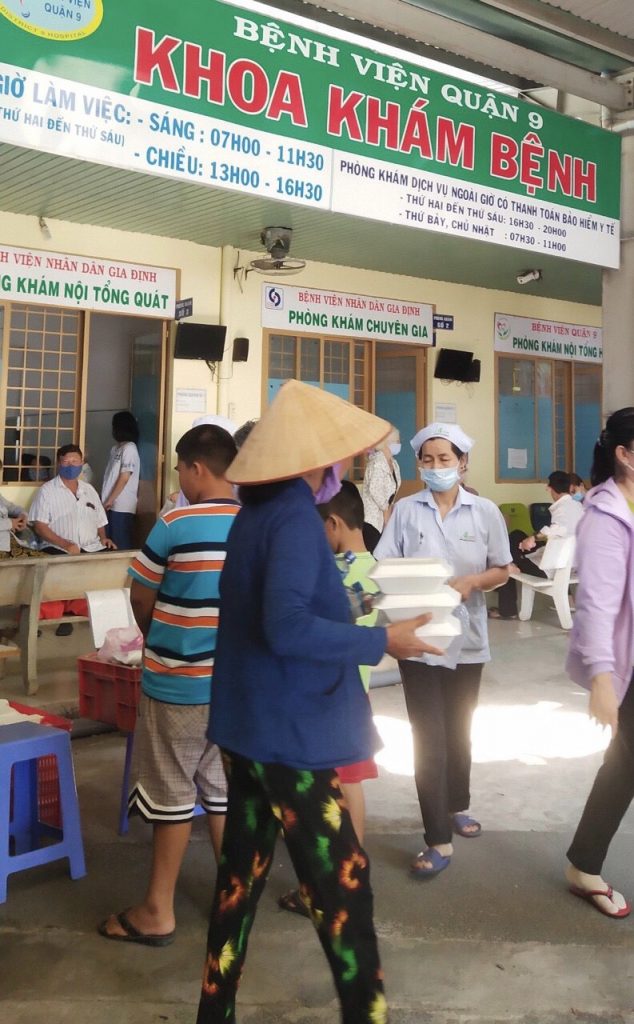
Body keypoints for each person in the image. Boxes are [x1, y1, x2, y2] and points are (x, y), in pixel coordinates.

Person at [196, 380, 442, 1024]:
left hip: (248, 728)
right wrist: (382, 639)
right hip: (290, 738)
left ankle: (214, 1012)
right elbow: (287, 627)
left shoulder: (255, 514)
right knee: (345, 890)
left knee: (238, 885)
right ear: (313, 461)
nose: (343, 463)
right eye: (336, 454)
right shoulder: (294, 520)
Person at [99, 424, 240, 946]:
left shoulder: (175, 521)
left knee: (171, 793)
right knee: (222, 792)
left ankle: (157, 911)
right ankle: (234, 897)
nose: (179, 478)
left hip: (177, 683)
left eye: (180, 469)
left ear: (197, 468)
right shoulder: (252, 524)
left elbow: (140, 596)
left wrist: (157, 635)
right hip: (232, 686)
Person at [374, 422, 512, 879]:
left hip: (467, 638)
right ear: (419, 464)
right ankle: (437, 838)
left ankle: (458, 805)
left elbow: (503, 569)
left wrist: (474, 581)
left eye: (445, 459)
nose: (436, 467)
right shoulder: (405, 510)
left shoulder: (484, 511)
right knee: (428, 737)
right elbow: (383, 563)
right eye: (428, 460)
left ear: (463, 462)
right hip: (418, 638)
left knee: (459, 731)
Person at [278, 480, 381, 918]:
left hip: (327, 698)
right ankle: (348, 876)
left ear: (334, 524)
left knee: (327, 795)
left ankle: (329, 885)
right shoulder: (376, 569)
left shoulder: (334, 576)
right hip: (355, 694)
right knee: (349, 784)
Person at [565, 408, 634, 919]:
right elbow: (596, 604)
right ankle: (584, 866)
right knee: (625, 765)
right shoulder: (606, 517)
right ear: (625, 455)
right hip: (627, 663)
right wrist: (602, 679)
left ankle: (583, 863)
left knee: (624, 765)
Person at [493, 471, 583, 620]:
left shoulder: (563, 509)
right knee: (516, 535)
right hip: (571, 562)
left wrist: (533, 538)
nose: (547, 489)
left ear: (551, 488)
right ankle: (513, 562)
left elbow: (557, 529)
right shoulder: (577, 505)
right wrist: (530, 539)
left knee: (505, 559)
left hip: (551, 568)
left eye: (548, 486)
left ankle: (507, 610)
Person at [29, 444, 115, 556]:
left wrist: (103, 539)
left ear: (81, 463)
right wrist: (66, 545)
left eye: (75, 461)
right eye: (66, 462)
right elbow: (40, 527)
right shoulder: (46, 491)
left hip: (92, 547)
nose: (71, 465)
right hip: (59, 548)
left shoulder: (89, 490)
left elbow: (100, 521)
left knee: (116, 559)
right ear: (59, 463)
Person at [101, 411, 141, 550]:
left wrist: (110, 500)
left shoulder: (130, 448)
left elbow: (124, 477)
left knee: (120, 543)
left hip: (122, 505)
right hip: (108, 503)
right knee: (108, 543)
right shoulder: (115, 449)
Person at [362, 425, 401, 553]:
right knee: (375, 553)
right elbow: (376, 490)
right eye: (397, 441)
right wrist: (386, 514)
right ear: (387, 443)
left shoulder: (393, 463)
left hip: (386, 516)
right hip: (373, 520)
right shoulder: (377, 463)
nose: (399, 444)